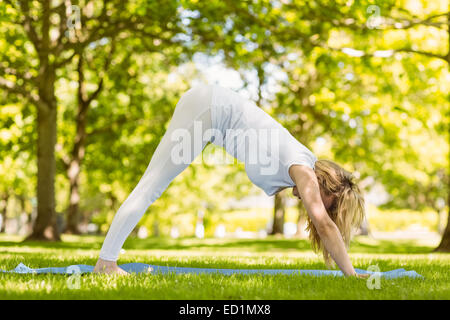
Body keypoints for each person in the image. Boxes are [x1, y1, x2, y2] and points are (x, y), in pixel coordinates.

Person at [93, 84, 366, 277]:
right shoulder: (304, 170)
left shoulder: (299, 165)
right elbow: (325, 225)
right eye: (331, 205)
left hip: (208, 112)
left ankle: (106, 261)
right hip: (208, 107)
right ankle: (106, 263)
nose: (321, 208)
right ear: (328, 185)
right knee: (151, 186)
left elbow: (324, 225)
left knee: (151, 186)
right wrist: (351, 274)